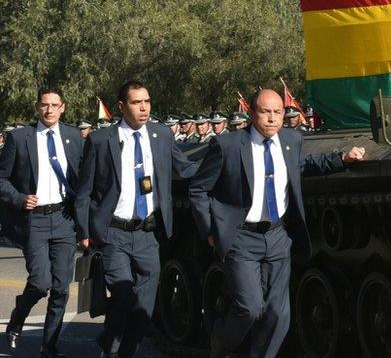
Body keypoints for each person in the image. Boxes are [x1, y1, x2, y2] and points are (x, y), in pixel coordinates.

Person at [190, 89, 365, 357]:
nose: (272, 118)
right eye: (265, 112)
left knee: (278, 314)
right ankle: (222, 338)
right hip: (241, 237)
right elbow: (199, 189)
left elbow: (303, 166)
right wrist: (210, 232)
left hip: (277, 236)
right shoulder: (227, 145)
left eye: (278, 112)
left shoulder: (290, 140)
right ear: (252, 113)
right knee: (250, 308)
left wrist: (341, 158)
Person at [75, 81, 199, 357]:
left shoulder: (161, 135)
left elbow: (185, 168)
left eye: (147, 101)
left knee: (145, 306)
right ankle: (112, 341)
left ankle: (120, 348)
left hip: (148, 233)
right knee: (122, 296)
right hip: (113, 232)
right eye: (136, 102)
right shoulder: (101, 140)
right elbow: (84, 191)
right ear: (122, 107)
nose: (143, 108)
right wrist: (84, 230)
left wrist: (222, 168)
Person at [0, 87, 83, 356]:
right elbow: (1, 179)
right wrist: (19, 198)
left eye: (54, 105)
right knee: (40, 282)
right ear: (38, 107)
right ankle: (17, 316)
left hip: (64, 219)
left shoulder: (73, 136)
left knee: (61, 288)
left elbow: (84, 178)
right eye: (44, 105)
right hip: (33, 220)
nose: (49, 110)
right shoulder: (19, 138)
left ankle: (49, 346)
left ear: (63, 108)